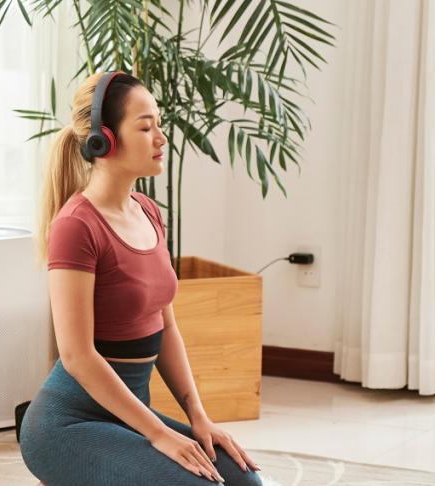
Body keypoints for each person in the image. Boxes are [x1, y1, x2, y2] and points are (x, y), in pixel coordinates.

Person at [19, 71, 264, 486]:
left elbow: (165, 325)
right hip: (69, 423)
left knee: (244, 481)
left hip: (128, 416)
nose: (161, 138)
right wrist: (158, 434)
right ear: (104, 140)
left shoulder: (148, 212)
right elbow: (76, 355)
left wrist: (198, 418)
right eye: (146, 126)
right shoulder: (76, 226)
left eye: (159, 125)